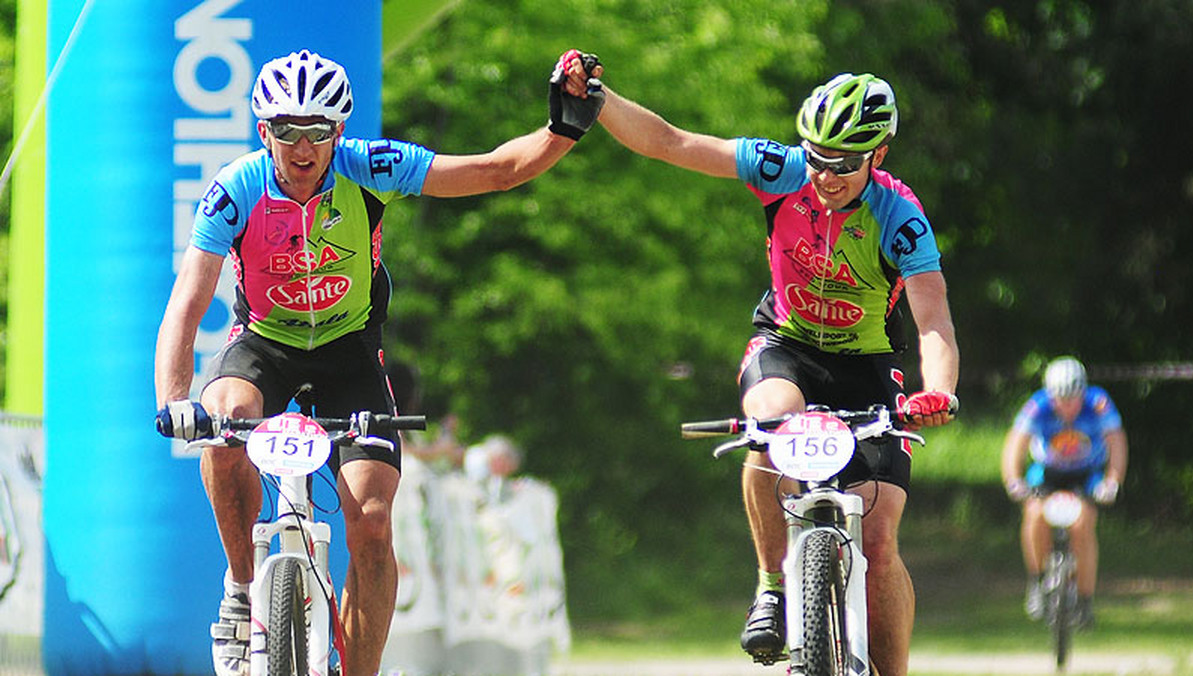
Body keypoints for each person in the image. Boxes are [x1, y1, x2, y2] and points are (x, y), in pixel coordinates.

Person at [153, 49, 603, 676]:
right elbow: (187, 304)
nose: (303, 148)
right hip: (265, 345)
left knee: (369, 522)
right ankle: (239, 585)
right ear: (265, 131)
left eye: (318, 133)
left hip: (350, 354)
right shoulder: (235, 190)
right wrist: (175, 400)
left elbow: (495, 171)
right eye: (288, 132)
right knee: (224, 421)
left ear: (340, 133)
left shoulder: (371, 167)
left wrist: (563, 130)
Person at [556, 55, 959, 675]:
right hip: (787, 346)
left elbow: (932, 318)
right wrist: (602, 100)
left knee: (878, 542)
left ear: (878, 156)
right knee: (771, 424)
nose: (826, 174)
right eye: (818, 157)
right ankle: (771, 584)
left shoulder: (899, 216)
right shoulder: (782, 171)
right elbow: (673, 143)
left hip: (869, 365)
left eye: (844, 163)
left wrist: (939, 391)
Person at [1000, 356, 1127, 628]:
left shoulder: (1099, 403)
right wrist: (1014, 481)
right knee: (1033, 514)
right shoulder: (1038, 405)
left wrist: (1112, 481)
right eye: (1061, 399)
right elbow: (1015, 444)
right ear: (1051, 395)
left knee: (1083, 524)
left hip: (1086, 473)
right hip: (1048, 472)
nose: (1067, 406)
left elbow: (1116, 442)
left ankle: (1084, 599)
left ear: (1083, 393)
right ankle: (1037, 580)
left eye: (1073, 399)